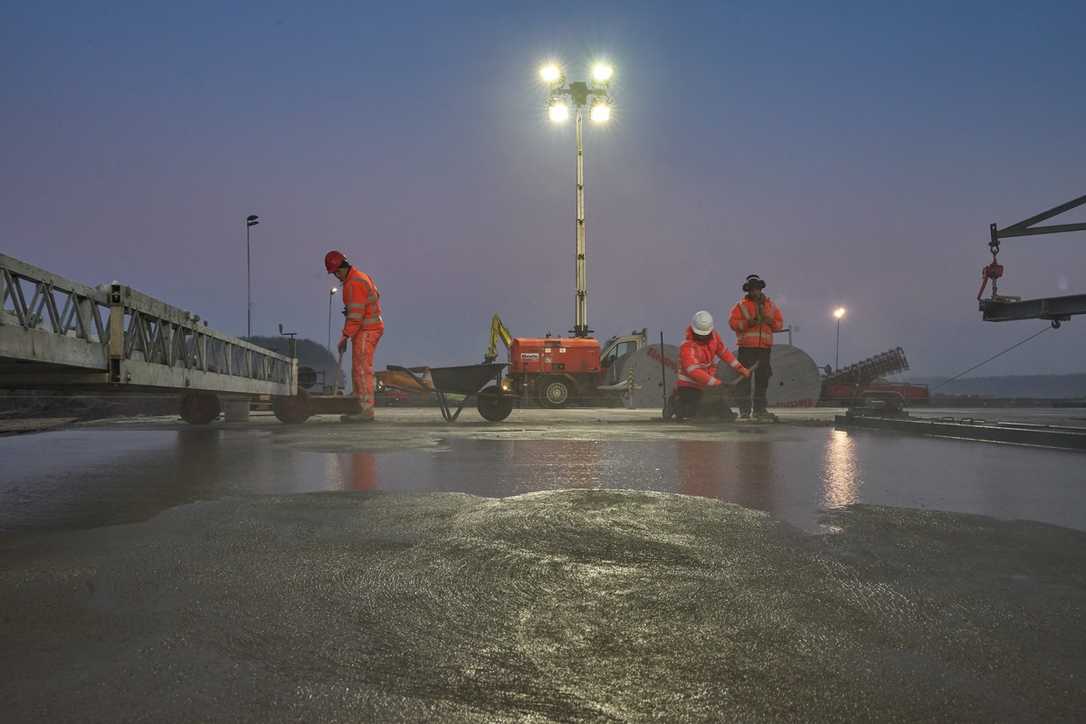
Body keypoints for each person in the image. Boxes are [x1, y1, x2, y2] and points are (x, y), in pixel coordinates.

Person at [325, 250, 384, 422]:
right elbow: (374, 296)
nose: (337, 277)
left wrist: (344, 336)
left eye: (335, 274)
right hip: (367, 328)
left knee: (362, 369)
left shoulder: (353, 284)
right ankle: (359, 403)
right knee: (357, 368)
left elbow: (356, 316)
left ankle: (366, 410)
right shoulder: (361, 276)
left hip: (367, 329)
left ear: (339, 270)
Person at [670, 310, 751, 421]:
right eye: (699, 334)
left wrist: (740, 368)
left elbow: (724, 353)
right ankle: (676, 402)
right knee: (696, 412)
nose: (703, 337)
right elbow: (694, 372)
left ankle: (711, 409)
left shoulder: (714, 337)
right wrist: (718, 383)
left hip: (706, 385)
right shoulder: (687, 346)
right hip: (689, 386)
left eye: (705, 334)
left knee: (725, 414)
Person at [728, 274, 784, 420]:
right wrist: (748, 323)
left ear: (760, 288)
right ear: (748, 290)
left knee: (762, 379)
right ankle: (745, 411)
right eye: (752, 289)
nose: (755, 292)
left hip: (764, 349)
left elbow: (779, 325)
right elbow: (733, 324)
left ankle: (759, 410)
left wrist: (770, 321)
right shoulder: (740, 306)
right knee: (744, 380)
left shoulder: (771, 306)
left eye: (757, 289)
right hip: (747, 349)